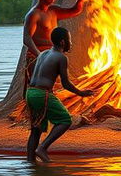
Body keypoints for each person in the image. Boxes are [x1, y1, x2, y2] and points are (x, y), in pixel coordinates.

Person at [26, 26, 94, 163]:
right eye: (70, 40)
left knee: (36, 129)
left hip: (30, 92)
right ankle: (42, 148)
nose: (71, 43)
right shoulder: (61, 57)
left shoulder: (43, 54)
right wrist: (81, 93)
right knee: (65, 120)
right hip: (41, 94)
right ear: (63, 42)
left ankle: (30, 163)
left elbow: (30, 68)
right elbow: (66, 84)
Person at [22, 0, 90, 93]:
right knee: (37, 89)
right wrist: (40, 56)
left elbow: (75, 11)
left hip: (52, 54)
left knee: (52, 88)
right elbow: (27, 38)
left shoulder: (53, 10)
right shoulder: (34, 14)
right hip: (37, 55)